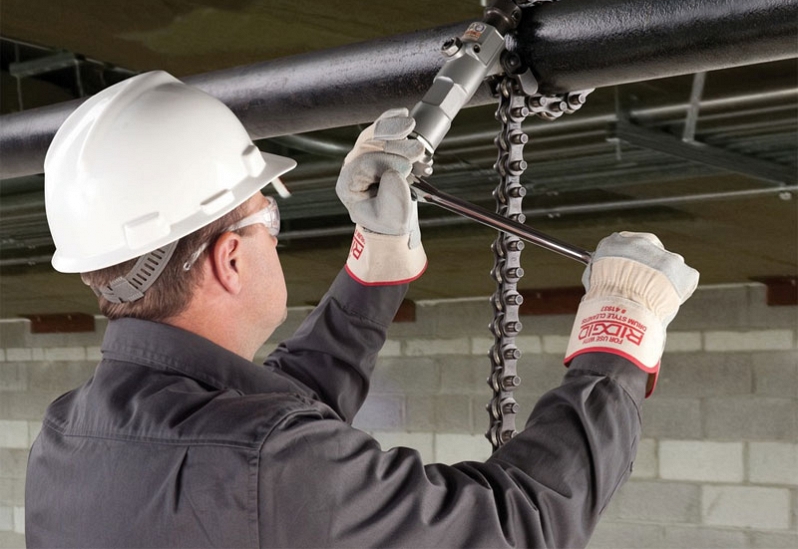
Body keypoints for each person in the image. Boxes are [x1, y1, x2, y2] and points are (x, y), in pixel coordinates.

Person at [25, 71, 699, 548]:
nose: (275, 235)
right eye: (268, 218)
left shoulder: (67, 437)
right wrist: (620, 332)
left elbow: (267, 421)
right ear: (229, 259)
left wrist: (377, 261)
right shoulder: (272, 462)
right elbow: (518, 525)